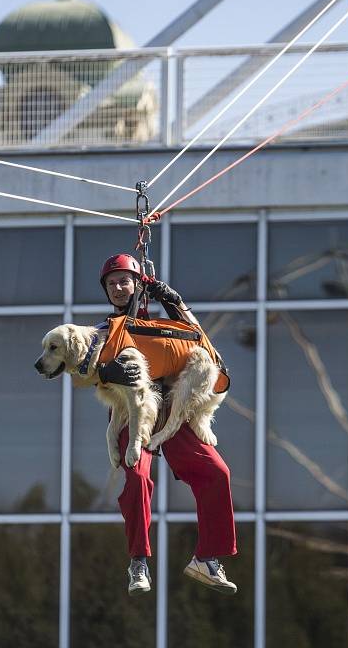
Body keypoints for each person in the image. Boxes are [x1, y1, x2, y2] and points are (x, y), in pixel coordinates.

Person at [95, 253, 238, 597]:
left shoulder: (168, 327)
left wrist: (175, 302)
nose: (117, 288)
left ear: (137, 285)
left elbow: (205, 348)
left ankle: (207, 557)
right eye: (111, 283)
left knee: (217, 473)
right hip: (136, 413)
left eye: (124, 281)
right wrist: (105, 372)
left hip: (172, 412)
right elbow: (81, 362)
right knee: (139, 477)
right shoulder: (104, 331)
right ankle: (138, 561)